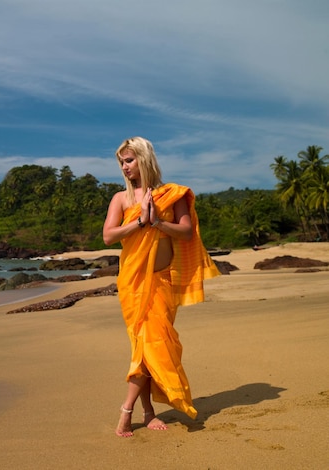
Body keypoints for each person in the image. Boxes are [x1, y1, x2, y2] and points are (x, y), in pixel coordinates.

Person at [102, 136, 220, 437]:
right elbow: (108, 236)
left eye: (129, 160)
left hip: (163, 282)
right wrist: (140, 222)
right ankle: (131, 412)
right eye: (122, 162)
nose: (125, 167)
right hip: (132, 282)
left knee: (150, 346)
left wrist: (157, 223)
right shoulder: (121, 199)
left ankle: (146, 412)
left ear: (144, 158)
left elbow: (186, 232)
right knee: (144, 346)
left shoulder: (171, 194)